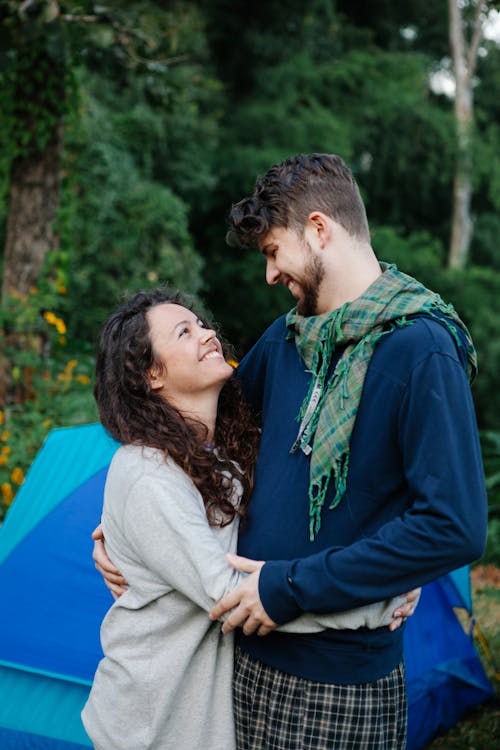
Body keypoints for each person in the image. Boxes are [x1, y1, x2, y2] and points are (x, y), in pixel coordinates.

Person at [83, 287, 415, 750]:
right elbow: (232, 595)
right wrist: (372, 592)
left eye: (202, 323)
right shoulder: (146, 473)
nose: (207, 334)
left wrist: (399, 562)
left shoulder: (225, 456)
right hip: (153, 724)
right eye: (184, 331)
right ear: (152, 374)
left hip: (210, 717)